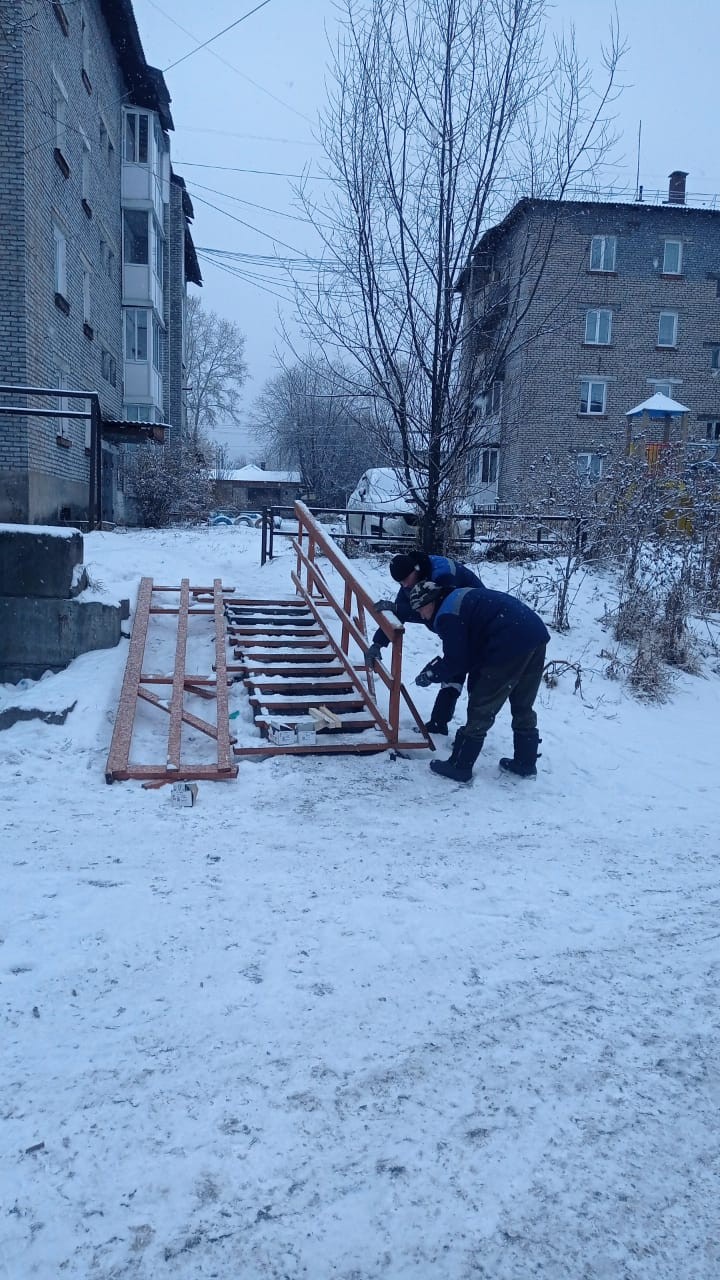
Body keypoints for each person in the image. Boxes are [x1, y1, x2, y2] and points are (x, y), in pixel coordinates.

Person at [408, 579, 550, 782]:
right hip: (534, 632)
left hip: (509, 640)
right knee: (523, 702)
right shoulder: (456, 598)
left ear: (431, 601)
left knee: (482, 704)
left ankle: (460, 766)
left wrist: (432, 674)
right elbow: (470, 654)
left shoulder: (447, 615)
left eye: (421, 609)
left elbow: (456, 660)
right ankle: (525, 762)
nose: (421, 616)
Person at [364, 552, 483, 735]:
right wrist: (377, 644)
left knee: (470, 674)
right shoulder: (411, 579)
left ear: (415, 570)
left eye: (406, 580)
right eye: (400, 583)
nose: (405, 585)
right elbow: (400, 613)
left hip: (476, 620)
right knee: (454, 667)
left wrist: (400, 609)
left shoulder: (444, 575)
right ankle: (439, 723)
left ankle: (472, 733)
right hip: (455, 623)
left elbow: (436, 611)